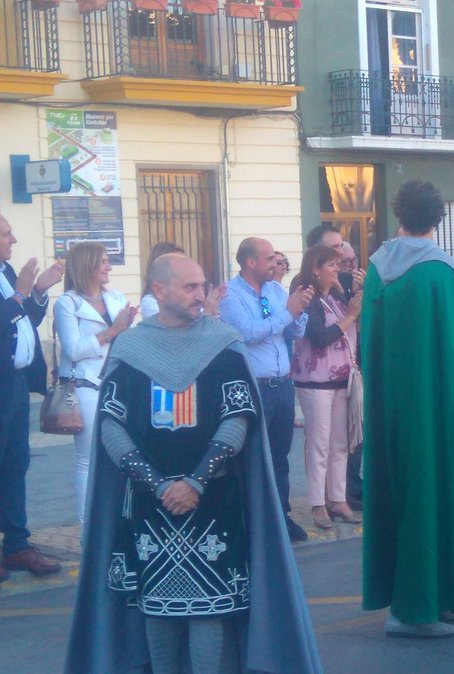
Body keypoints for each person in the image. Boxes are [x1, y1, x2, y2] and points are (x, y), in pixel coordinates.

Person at [66, 253, 322, 674]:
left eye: (202, 285)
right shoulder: (129, 347)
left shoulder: (222, 342)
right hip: (151, 505)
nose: (200, 295)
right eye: (189, 287)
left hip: (214, 501)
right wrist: (158, 484)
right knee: (157, 609)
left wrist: (196, 482)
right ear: (159, 291)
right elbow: (111, 424)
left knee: (209, 608)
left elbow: (238, 416)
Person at [361, 181, 454, 638]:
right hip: (441, 410)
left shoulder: (376, 269)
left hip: (395, 407)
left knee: (415, 494)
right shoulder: (439, 272)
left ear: (398, 212)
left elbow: (370, 344)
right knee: (442, 489)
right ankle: (414, 610)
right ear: (439, 218)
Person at [220, 237, 313, 543]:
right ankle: (248, 518)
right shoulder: (231, 295)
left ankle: (280, 517)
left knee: (279, 455)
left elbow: (293, 331)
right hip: (254, 387)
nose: (276, 264)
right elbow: (248, 333)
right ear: (251, 262)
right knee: (250, 454)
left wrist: (300, 312)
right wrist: (288, 313)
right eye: (270, 258)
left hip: (281, 384)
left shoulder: (274, 290)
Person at [0, 214, 64, 581]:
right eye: (7, 234)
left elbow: (24, 320)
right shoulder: (12, 281)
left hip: (17, 382)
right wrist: (22, 293)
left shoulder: (7, 272)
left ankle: (17, 546)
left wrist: (38, 291)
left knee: (15, 464)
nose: (14, 240)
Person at [54, 242, 137, 523]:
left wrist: (126, 330)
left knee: (120, 455)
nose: (108, 267)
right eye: (102, 261)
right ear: (87, 264)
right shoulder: (68, 302)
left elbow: (127, 342)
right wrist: (113, 331)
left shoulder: (114, 298)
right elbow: (74, 349)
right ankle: (86, 526)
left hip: (118, 386)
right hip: (86, 387)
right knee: (87, 460)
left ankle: (114, 520)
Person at [290, 246, 363, 530]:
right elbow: (320, 337)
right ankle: (318, 503)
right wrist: (351, 316)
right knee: (319, 443)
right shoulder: (308, 298)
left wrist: (352, 297)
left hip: (339, 379)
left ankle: (338, 498)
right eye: (331, 265)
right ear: (315, 269)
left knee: (340, 443)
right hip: (315, 381)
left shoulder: (332, 296)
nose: (337, 269)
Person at [139, 241, 183, 317]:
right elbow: (169, 326)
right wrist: (207, 311)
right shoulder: (150, 301)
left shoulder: (189, 294)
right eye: (180, 262)